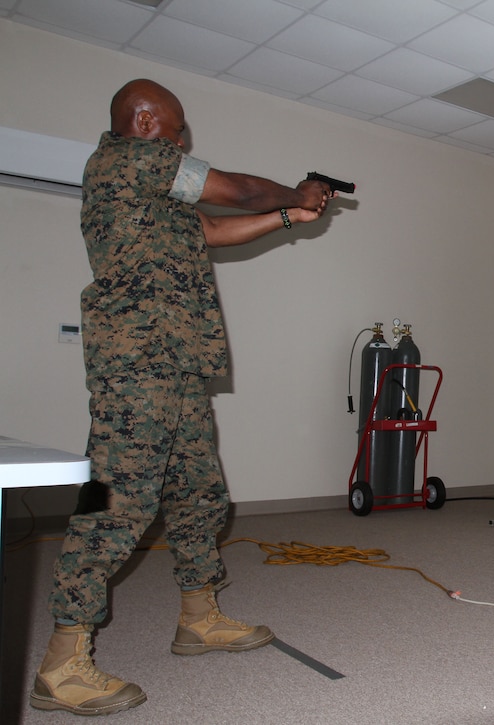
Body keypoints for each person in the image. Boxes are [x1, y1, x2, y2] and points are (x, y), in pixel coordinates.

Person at [29, 79, 338, 716]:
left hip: (177, 364)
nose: (182, 137)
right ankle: (62, 662)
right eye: (176, 128)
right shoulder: (124, 159)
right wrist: (293, 190)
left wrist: (289, 217)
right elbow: (240, 189)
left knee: (200, 494)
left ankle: (199, 618)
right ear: (145, 123)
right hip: (135, 366)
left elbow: (215, 231)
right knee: (116, 503)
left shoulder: (155, 188)